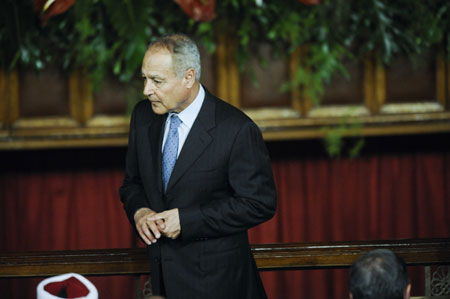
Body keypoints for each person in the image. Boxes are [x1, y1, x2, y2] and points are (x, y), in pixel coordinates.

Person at [119, 33, 277, 299]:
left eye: (157, 81)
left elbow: (259, 203)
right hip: (160, 283)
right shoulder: (143, 116)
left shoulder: (236, 129)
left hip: (219, 285)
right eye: (145, 79)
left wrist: (187, 220)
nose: (147, 90)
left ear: (188, 78)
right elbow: (132, 184)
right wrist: (140, 212)